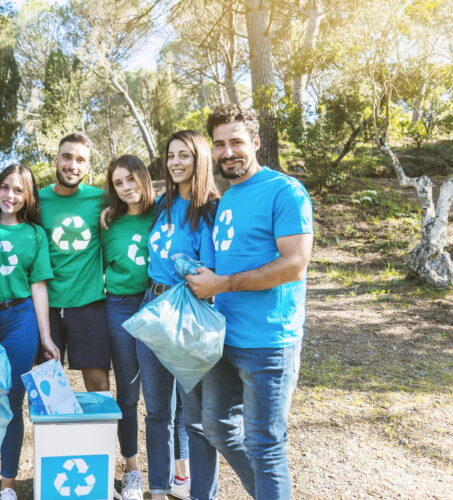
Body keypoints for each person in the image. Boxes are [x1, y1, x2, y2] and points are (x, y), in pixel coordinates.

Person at [185, 104, 314, 500]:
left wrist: (221, 284)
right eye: (220, 144)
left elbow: (294, 264)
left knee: (264, 444)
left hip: (268, 343)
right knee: (218, 428)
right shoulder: (228, 199)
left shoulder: (284, 191)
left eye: (237, 142)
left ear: (255, 143)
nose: (228, 152)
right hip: (224, 339)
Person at [139, 130, 220, 500]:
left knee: (194, 415)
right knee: (156, 410)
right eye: (170, 155)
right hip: (152, 306)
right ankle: (158, 488)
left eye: (183, 155)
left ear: (199, 158)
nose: (175, 162)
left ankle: (199, 490)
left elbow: (212, 270)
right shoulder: (162, 204)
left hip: (189, 311)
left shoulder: (211, 209)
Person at [0, 164, 61, 500]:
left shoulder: (34, 234)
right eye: (5, 187)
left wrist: (45, 336)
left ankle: (7, 485)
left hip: (20, 319)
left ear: (28, 197)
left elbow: (39, 286)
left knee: (12, 400)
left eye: (18, 190)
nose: (10, 195)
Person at [100, 154, 155, 500]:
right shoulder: (107, 223)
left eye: (130, 179)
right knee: (128, 393)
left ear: (143, 178)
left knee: (164, 393)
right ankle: (132, 469)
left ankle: (177, 471)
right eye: (118, 183)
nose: (125, 188)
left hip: (155, 303)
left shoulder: (163, 212)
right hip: (118, 306)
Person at [39, 132, 111, 392]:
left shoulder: (101, 198)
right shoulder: (36, 199)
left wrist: (111, 209)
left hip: (88, 302)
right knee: (50, 383)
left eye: (80, 160)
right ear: (56, 159)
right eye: (67, 157)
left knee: (98, 380)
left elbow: (137, 204)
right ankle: (56, 433)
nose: (73, 165)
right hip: (47, 304)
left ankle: (102, 433)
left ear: (88, 166)